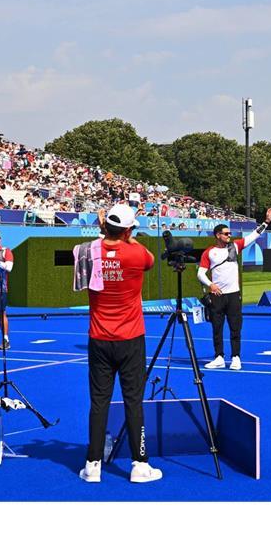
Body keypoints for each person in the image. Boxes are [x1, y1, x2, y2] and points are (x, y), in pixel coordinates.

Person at [77, 203, 162, 484]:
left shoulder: (87, 251)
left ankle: (93, 464)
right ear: (127, 230)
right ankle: (139, 464)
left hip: (99, 337)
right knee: (133, 400)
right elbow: (150, 259)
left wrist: (106, 233)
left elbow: (96, 247)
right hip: (131, 338)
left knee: (98, 402)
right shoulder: (137, 252)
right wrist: (126, 237)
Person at [197, 207, 271, 371]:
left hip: (233, 295)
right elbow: (200, 273)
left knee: (235, 327)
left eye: (229, 233)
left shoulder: (235, 247)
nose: (229, 235)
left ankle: (235, 357)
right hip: (217, 296)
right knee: (217, 328)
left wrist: (266, 222)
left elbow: (253, 236)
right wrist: (210, 284)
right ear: (218, 235)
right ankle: (218, 357)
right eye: (226, 233)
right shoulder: (209, 252)